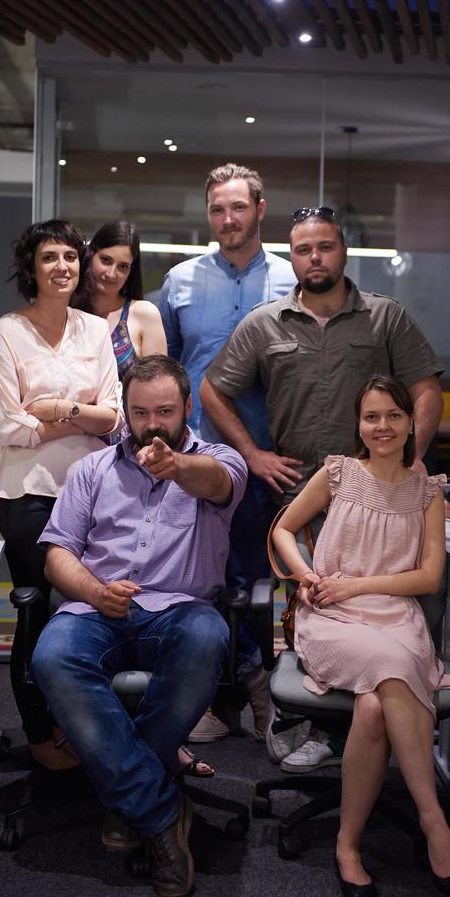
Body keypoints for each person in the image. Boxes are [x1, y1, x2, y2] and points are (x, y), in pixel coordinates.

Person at [30, 355, 248, 897]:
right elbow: (57, 553)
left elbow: (215, 482)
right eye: (140, 412)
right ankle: (158, 810)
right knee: (51, 655)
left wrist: (175, 467)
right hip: (97, 609)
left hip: (178, 612)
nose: (153, 424)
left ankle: (130, 798)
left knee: (206, 635)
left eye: (166, 411)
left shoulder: (220, 462)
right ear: (125, 413)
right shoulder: (92, 470)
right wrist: (93, 592)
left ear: (188, 408)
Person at [272, 374, 450, 897]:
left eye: (393, 416)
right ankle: (435, 825)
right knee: (392, 668)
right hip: (332, 618)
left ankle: (347, 843)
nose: (382, 427)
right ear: (359, 425)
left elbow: (429, 578)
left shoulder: (427, 492)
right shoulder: (337, 474)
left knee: (371, 707)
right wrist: (308, 575)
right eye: (371, 417)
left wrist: (355, 585)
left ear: (411, 424)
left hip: (394, 617)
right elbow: (282, 529)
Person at [159, 162, 296, 742]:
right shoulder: (180, 280)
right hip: (195, 459)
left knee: (257, 580)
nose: (228, 219)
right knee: (200, 579)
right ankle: (215, 697)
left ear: (260, 210)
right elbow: (160, 368)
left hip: (272, 456)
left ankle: (260, 689)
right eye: (218, 209)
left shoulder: (294, 278)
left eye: (238, 207)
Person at [0, 219, 122, 770]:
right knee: (36, 613)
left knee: (92, 611)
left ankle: (87, 721)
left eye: (70, 256)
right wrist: (79, 418)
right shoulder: (7, 332)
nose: (62, 266)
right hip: (30, 495)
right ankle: (41, 733)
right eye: (49, 257)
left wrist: (53, 410)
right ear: (31, 268)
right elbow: (9, 426)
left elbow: (113, 418)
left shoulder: (94, 330)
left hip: (92, 494)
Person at [201, 205, 444, 503]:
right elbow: (212, 391)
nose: (314, 257)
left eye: (325, 247)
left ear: (344, 251)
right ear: (292, 257)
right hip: (293, 495)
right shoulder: (263, 323)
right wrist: (252, 455)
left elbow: (427, 390)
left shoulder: (386, 316)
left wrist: (412, 454)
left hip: (375, 491)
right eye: (303, 250)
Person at [78, 220, 167, 377]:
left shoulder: (144, 314)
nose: (111, 273)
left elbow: (156, 386)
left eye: (123, 266)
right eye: (105, 260)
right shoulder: (67, 309)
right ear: (90, 256)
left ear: (131, 271)